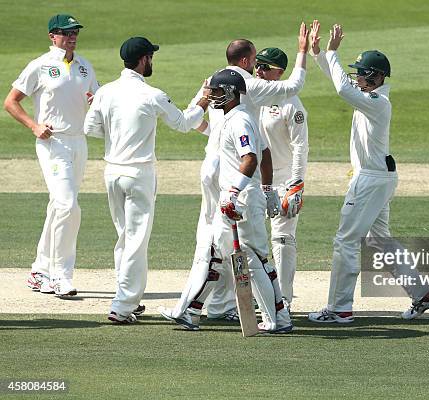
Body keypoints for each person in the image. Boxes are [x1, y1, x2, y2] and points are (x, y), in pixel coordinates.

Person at [158, 24, 309, 330]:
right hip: (238, 195)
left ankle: (278, 317)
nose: (209, 95)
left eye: (214, 92)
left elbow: (253, 157)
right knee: (217, 252)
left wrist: (238, 192)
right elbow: (263, 152)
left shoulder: (240, 120)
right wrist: (266, 191)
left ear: (229, 93)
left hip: (238, 198)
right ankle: (192, 311)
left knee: (254, 259)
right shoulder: (238, 117)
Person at [307, 21, 429, 323]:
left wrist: (331, 51)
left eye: (362, 74)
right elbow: (340, 80)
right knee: (379, 241)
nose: (357, 78)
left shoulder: (379, 102)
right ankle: (422, 293)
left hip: (370, 179)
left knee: (345, 240)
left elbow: (342, 87)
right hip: (378, 177)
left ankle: (339, 308)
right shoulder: (369, 96)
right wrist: (319, 55)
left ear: (376, 77)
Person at [83, 37, 208, 324]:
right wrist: (203, 98)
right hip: (138, 175)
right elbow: (184, 123)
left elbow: (90, 128)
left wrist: (118, 132)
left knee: (125, 237)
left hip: (112, 172)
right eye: (151, 56)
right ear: (143, 60)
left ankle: (127, 297)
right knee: (136, 240)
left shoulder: (105, 92)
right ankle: (122, 306)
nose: (152, 60)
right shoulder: (152, 94)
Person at [4, 14, 99, 297]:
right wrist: (34, 126)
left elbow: (96, 99)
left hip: (78, 143)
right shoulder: (40, 65)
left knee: (59, 206)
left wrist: (96, 103)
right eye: (65, 32)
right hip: (52, 143)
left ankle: (39, 270)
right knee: (68, 206)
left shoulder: (84, 66)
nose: (71, 37)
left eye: (74, 32)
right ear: (52, 36)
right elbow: (10, 102)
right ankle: (60, 275)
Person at [255, 47, 309, 310]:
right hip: (255, 179)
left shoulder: (291, 102)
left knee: (282, 238)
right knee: (250, 238)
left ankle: (284, 300)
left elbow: (301, 145)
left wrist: (296, 184)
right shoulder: (254, 94)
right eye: (257, 65)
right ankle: (254, 296)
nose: (258, 71)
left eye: (265, 67)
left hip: (284, 179)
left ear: (279, 72)